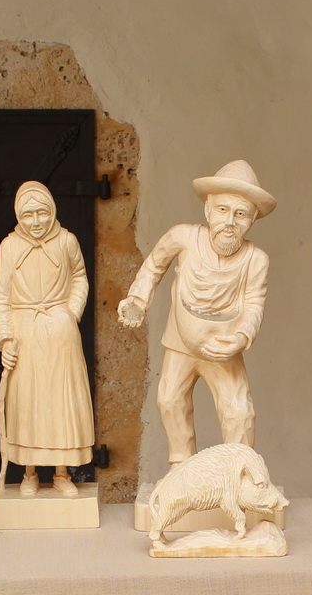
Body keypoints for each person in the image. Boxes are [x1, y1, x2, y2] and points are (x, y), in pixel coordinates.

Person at [117, 160, 274, 466]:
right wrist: (137, 299)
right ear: (207, 209)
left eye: (241, 214)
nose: (230, 222)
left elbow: (254, 303)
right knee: (169, 399)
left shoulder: (256, 259)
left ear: (253, 220)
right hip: (181, 341)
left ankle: (238, 472)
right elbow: (153, 267)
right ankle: (182, 468)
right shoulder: (183, 237)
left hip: (222, 347)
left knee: (238, 410)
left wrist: (241, 337)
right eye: (222, 210)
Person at [0, 181, 93, 496]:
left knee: (61, 402)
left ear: (52, 211)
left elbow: (80, 277)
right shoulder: (10, 247)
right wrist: (6, 338)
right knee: (28, 403)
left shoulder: (67, 241)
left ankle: (62, 473)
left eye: (42, 213)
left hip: (61, 333)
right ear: (19, 215)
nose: (36, 222)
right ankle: (29, 472)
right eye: (28, 215)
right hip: (24, 333)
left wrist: (70, 312)